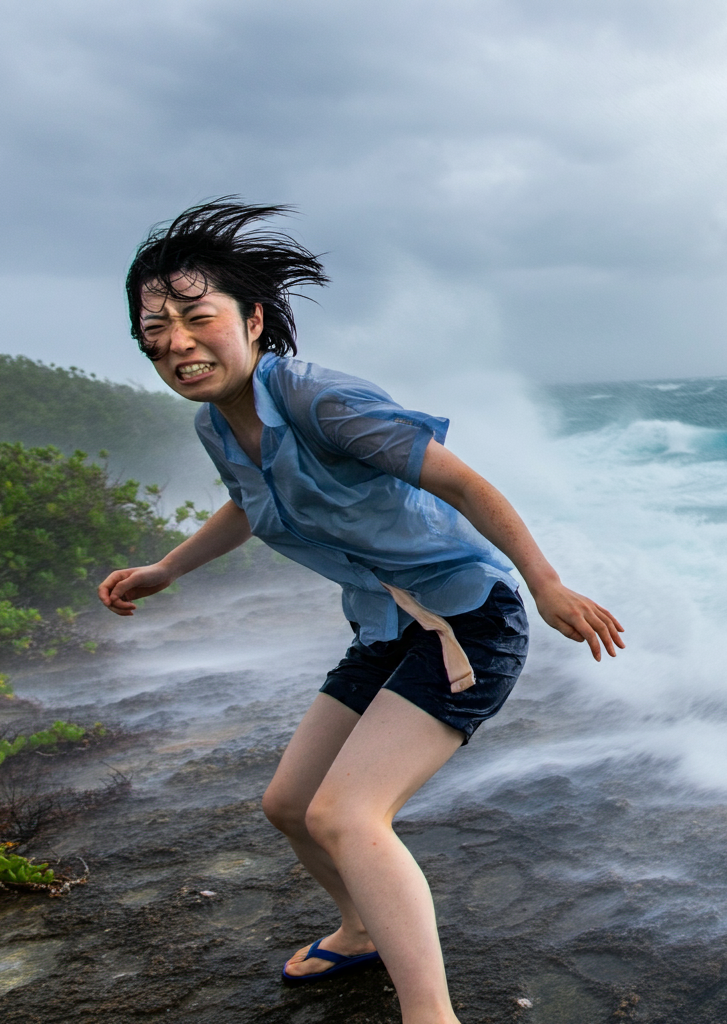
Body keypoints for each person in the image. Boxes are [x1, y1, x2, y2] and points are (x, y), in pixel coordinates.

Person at [98, 199, 624, 1024]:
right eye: (155, 328)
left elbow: (460, 481)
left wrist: (547, 583)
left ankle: (432, 1016)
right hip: (385, 623)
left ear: (254, 318)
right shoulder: (216, 425)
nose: (176, 342)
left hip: (471, 618)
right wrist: (169, 568)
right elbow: (249, 502)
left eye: (198, 318)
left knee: (348, 813)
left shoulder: (322, 402)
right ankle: (359, 927)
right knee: (289, 805)